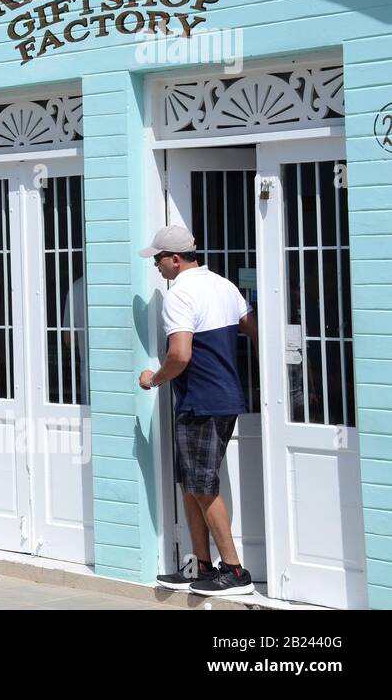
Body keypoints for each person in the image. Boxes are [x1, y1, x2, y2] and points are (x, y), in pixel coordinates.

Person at [139, 225, 258, 597]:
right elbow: (254, 330)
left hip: (202, 402)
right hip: (222, 397)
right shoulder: (224, 285)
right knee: (190, 483)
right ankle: (202, 566)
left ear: (175, 259)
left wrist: (154, 379)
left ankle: (235, 572)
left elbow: (180, 354)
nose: (156, 266)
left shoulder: (181, 295)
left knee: (203, 486)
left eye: (158, 259)